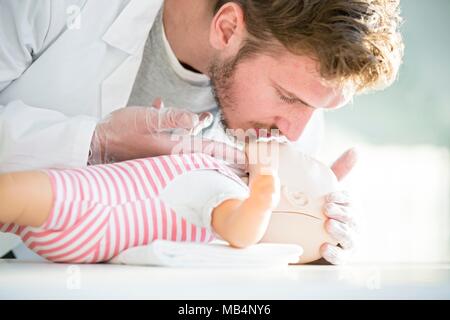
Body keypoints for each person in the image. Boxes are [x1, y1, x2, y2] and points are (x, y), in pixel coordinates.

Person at [0, 0, 404, 264]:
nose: (296, 134)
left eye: (316, 109)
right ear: (227, 28)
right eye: (288, 97)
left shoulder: (292, 104)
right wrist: (93, 142)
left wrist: (313, 232)